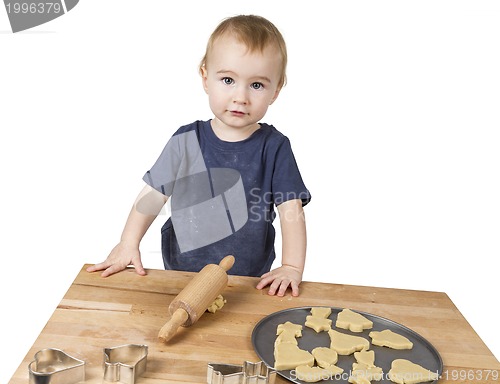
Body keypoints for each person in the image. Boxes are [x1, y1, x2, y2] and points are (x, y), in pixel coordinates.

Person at [87, 15, 311, 296]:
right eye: (228, 80)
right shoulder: (186, 140)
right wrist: (128, 242)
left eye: (257, 85)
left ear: (276, 90)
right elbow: (153, 195)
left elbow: (291, 210)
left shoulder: (275, 147)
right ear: (206, 78)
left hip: (248, 280)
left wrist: (291, 266)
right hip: (183, 271)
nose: (240, 96)